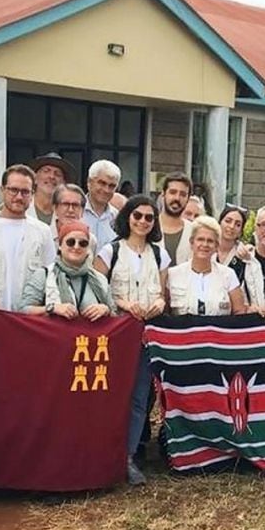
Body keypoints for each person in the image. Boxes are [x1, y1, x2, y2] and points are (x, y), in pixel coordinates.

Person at [95, 195, 171, 486]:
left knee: (139, 397)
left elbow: (163, 293)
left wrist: (158, 304)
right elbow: (97, 288)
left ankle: (127, 457)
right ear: (127, 216)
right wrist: (122, 302)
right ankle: (103, 454)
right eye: (137, 215)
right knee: (109, 396)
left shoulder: (159, 254)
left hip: (146, 334)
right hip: (116, 333)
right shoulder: (109, 251)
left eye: (149, 218)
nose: (142, 222)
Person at [0, 165, 57, 313]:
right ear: (2, 190)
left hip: (27, 320)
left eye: (25, 192)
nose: (18, 197)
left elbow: (51, 278)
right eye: (13, 190)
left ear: (32, 194)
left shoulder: (43, 232)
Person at [20, 220, 114, 322]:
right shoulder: (44, 275)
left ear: (88, 249)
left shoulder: (100, 279)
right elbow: (23, 310)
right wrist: (52, 308)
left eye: (83, 243)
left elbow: (115, 315)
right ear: (60, 246)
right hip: (54, 336)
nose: (76, 247)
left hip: (89, 337)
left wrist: (106, 310)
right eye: (70, 242)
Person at [166, 215, 248, 316]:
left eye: (210, 241)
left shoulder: (228, 275)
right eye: (200, 239)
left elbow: (239, 312)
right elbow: (165, 312)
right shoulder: (174, 274)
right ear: (192, 243)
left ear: (216, 246)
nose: (205, 244)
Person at [159, 172, 195, 266]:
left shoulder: (193, 231)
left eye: (183, 194)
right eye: (172, 192)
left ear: (188, 198)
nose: (177, 198)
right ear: (163, 193)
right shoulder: (148, 226)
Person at [83, 160, 120, 249]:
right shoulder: (74, 211)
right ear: (89, 182)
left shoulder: (117, 217)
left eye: (111, 186)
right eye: (102, 183)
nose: (106, 190)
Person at [29, 152, 73, 226]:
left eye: (57, 174)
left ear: (64, 183)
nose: (52, 176)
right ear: (35, 178)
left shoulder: (70, 212)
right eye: (46, 171)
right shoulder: (21, 206)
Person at [215, 205, 251, 284]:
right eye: (228, 221)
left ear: (241, 231)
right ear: (219, 223)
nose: (231, 226)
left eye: (237, 224)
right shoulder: (208, 248)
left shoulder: (244, 254)